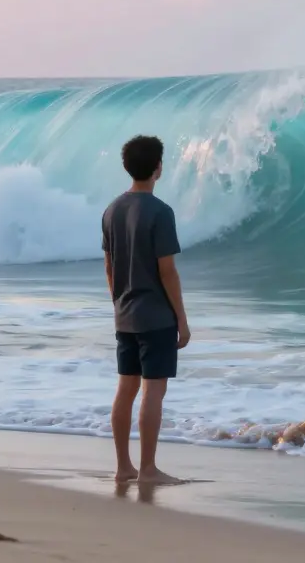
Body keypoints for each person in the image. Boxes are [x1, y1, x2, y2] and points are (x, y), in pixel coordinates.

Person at [102, 135, 191, 485]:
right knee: (153, 391)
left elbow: (109, 267)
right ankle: (149, 469)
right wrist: (181, 318)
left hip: (124, 314)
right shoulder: (160, 212)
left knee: (126, 389)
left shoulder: (112, 210)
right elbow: (167, 271)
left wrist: (119, 304)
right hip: (155, 316)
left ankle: (124, 467)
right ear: (158, 168)